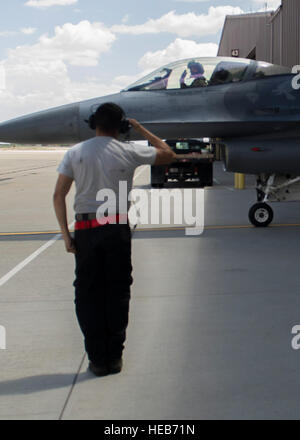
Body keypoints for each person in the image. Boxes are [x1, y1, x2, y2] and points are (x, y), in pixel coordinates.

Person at [53, 102, 176, 377]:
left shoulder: (74, 153)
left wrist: (66, 235)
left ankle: (98, 359)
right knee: (118, 292)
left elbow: (58, 195)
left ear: (93, 123)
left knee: (87, 294)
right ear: (120, 127)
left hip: (86, 230)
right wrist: (141, 128)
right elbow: (169, 154)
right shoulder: (130, 151)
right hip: (116, 229)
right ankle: (115, 357)